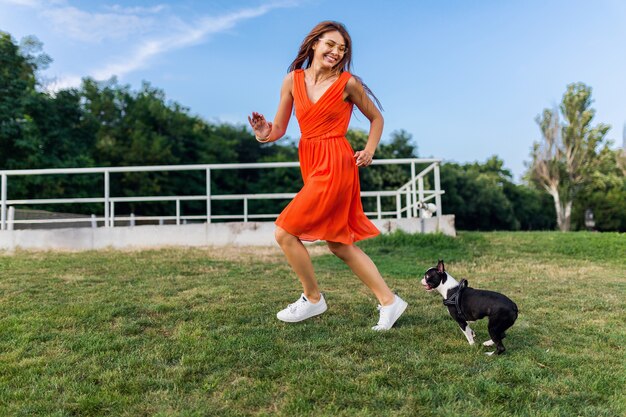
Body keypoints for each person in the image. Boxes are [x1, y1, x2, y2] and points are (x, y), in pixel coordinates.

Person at [248, 21, 407, 331]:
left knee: (284, 231)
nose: (336, 52)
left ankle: (312, 298)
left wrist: (369, 150)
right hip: (310, 159)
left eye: (342, 49)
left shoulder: (348, 83)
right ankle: (390, 302)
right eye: (330, 44)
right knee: (338, 243)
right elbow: (277, 129)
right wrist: (262, 133)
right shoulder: (292, 81)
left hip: (337, 162)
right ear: (314, 44)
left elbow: (376, 119)